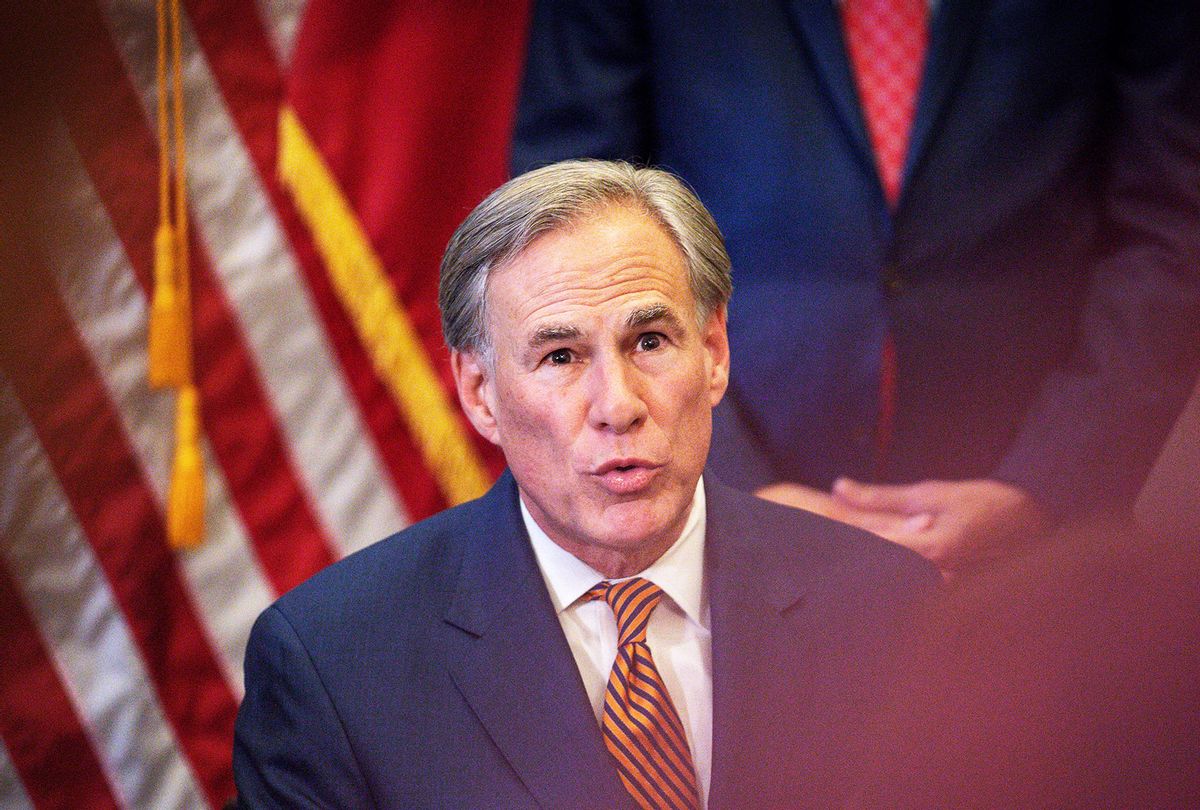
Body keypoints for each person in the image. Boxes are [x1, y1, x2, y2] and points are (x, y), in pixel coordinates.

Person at [233, 160, 938, 808]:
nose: (618, 405)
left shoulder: (891, 607)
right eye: (562, 355)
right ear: (480, 395)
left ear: (715, 352)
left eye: (650, 342)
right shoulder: (335, 665)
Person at [511, 1, 1200, 574]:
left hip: (1038, 552)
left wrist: (1046, 484)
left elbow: (1173, 220)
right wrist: (723, 481)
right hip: (704, 527)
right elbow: (566, 226)